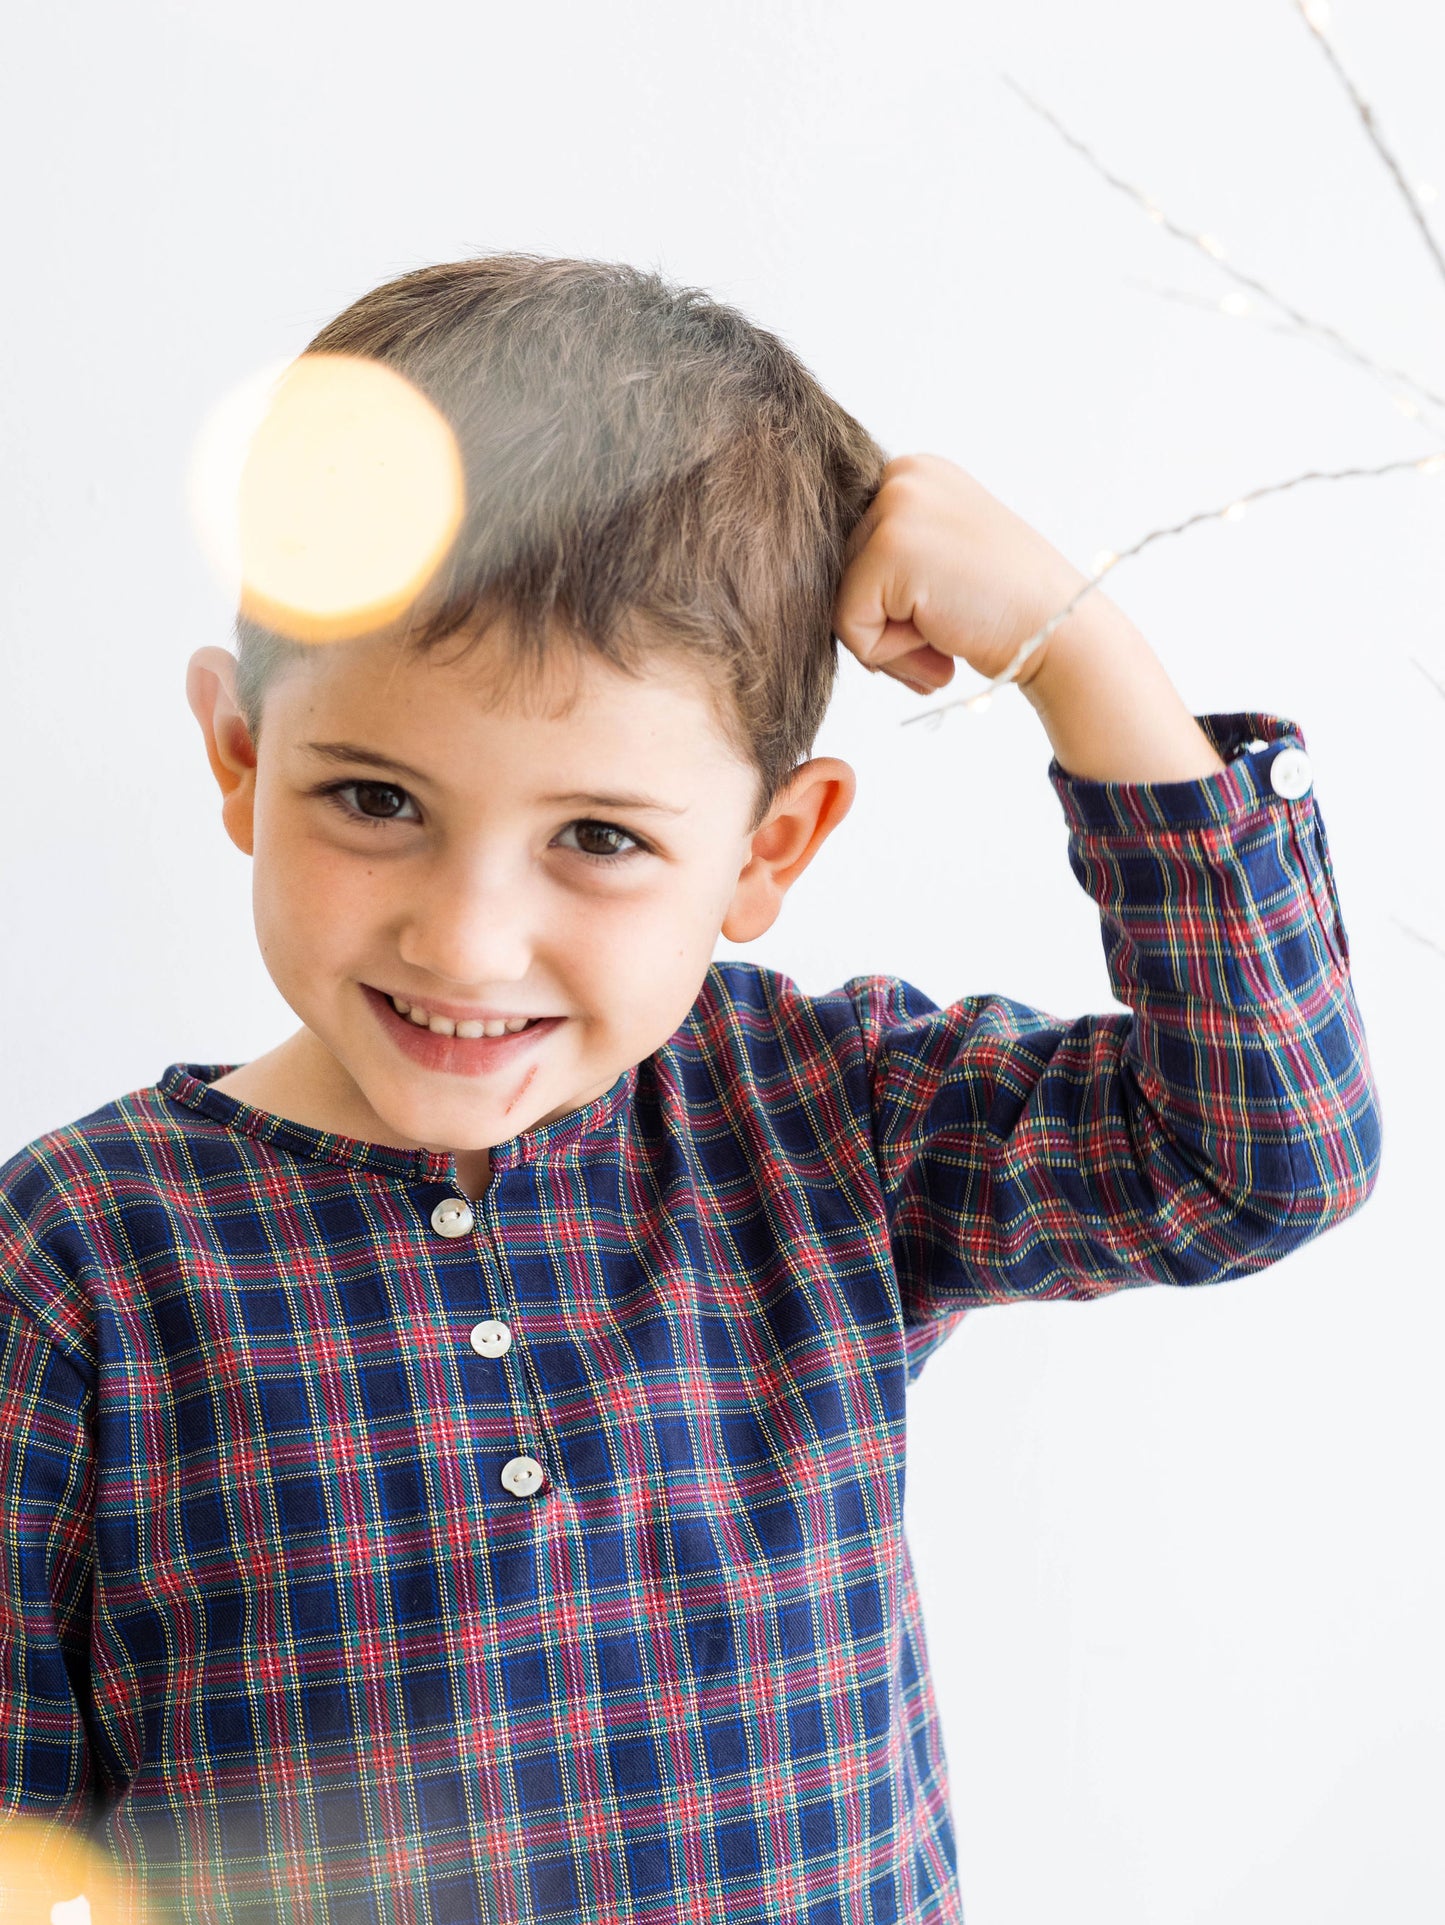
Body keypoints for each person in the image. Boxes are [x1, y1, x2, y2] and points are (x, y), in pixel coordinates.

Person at [0, 254, 1381, 1925]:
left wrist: (1078, 658)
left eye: (597, 837)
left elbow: (1261, 1156)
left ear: (767, 848)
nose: (468, 933)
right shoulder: (80, 1256)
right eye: (373, 797)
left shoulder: (819, 1116)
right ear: (240, 757)